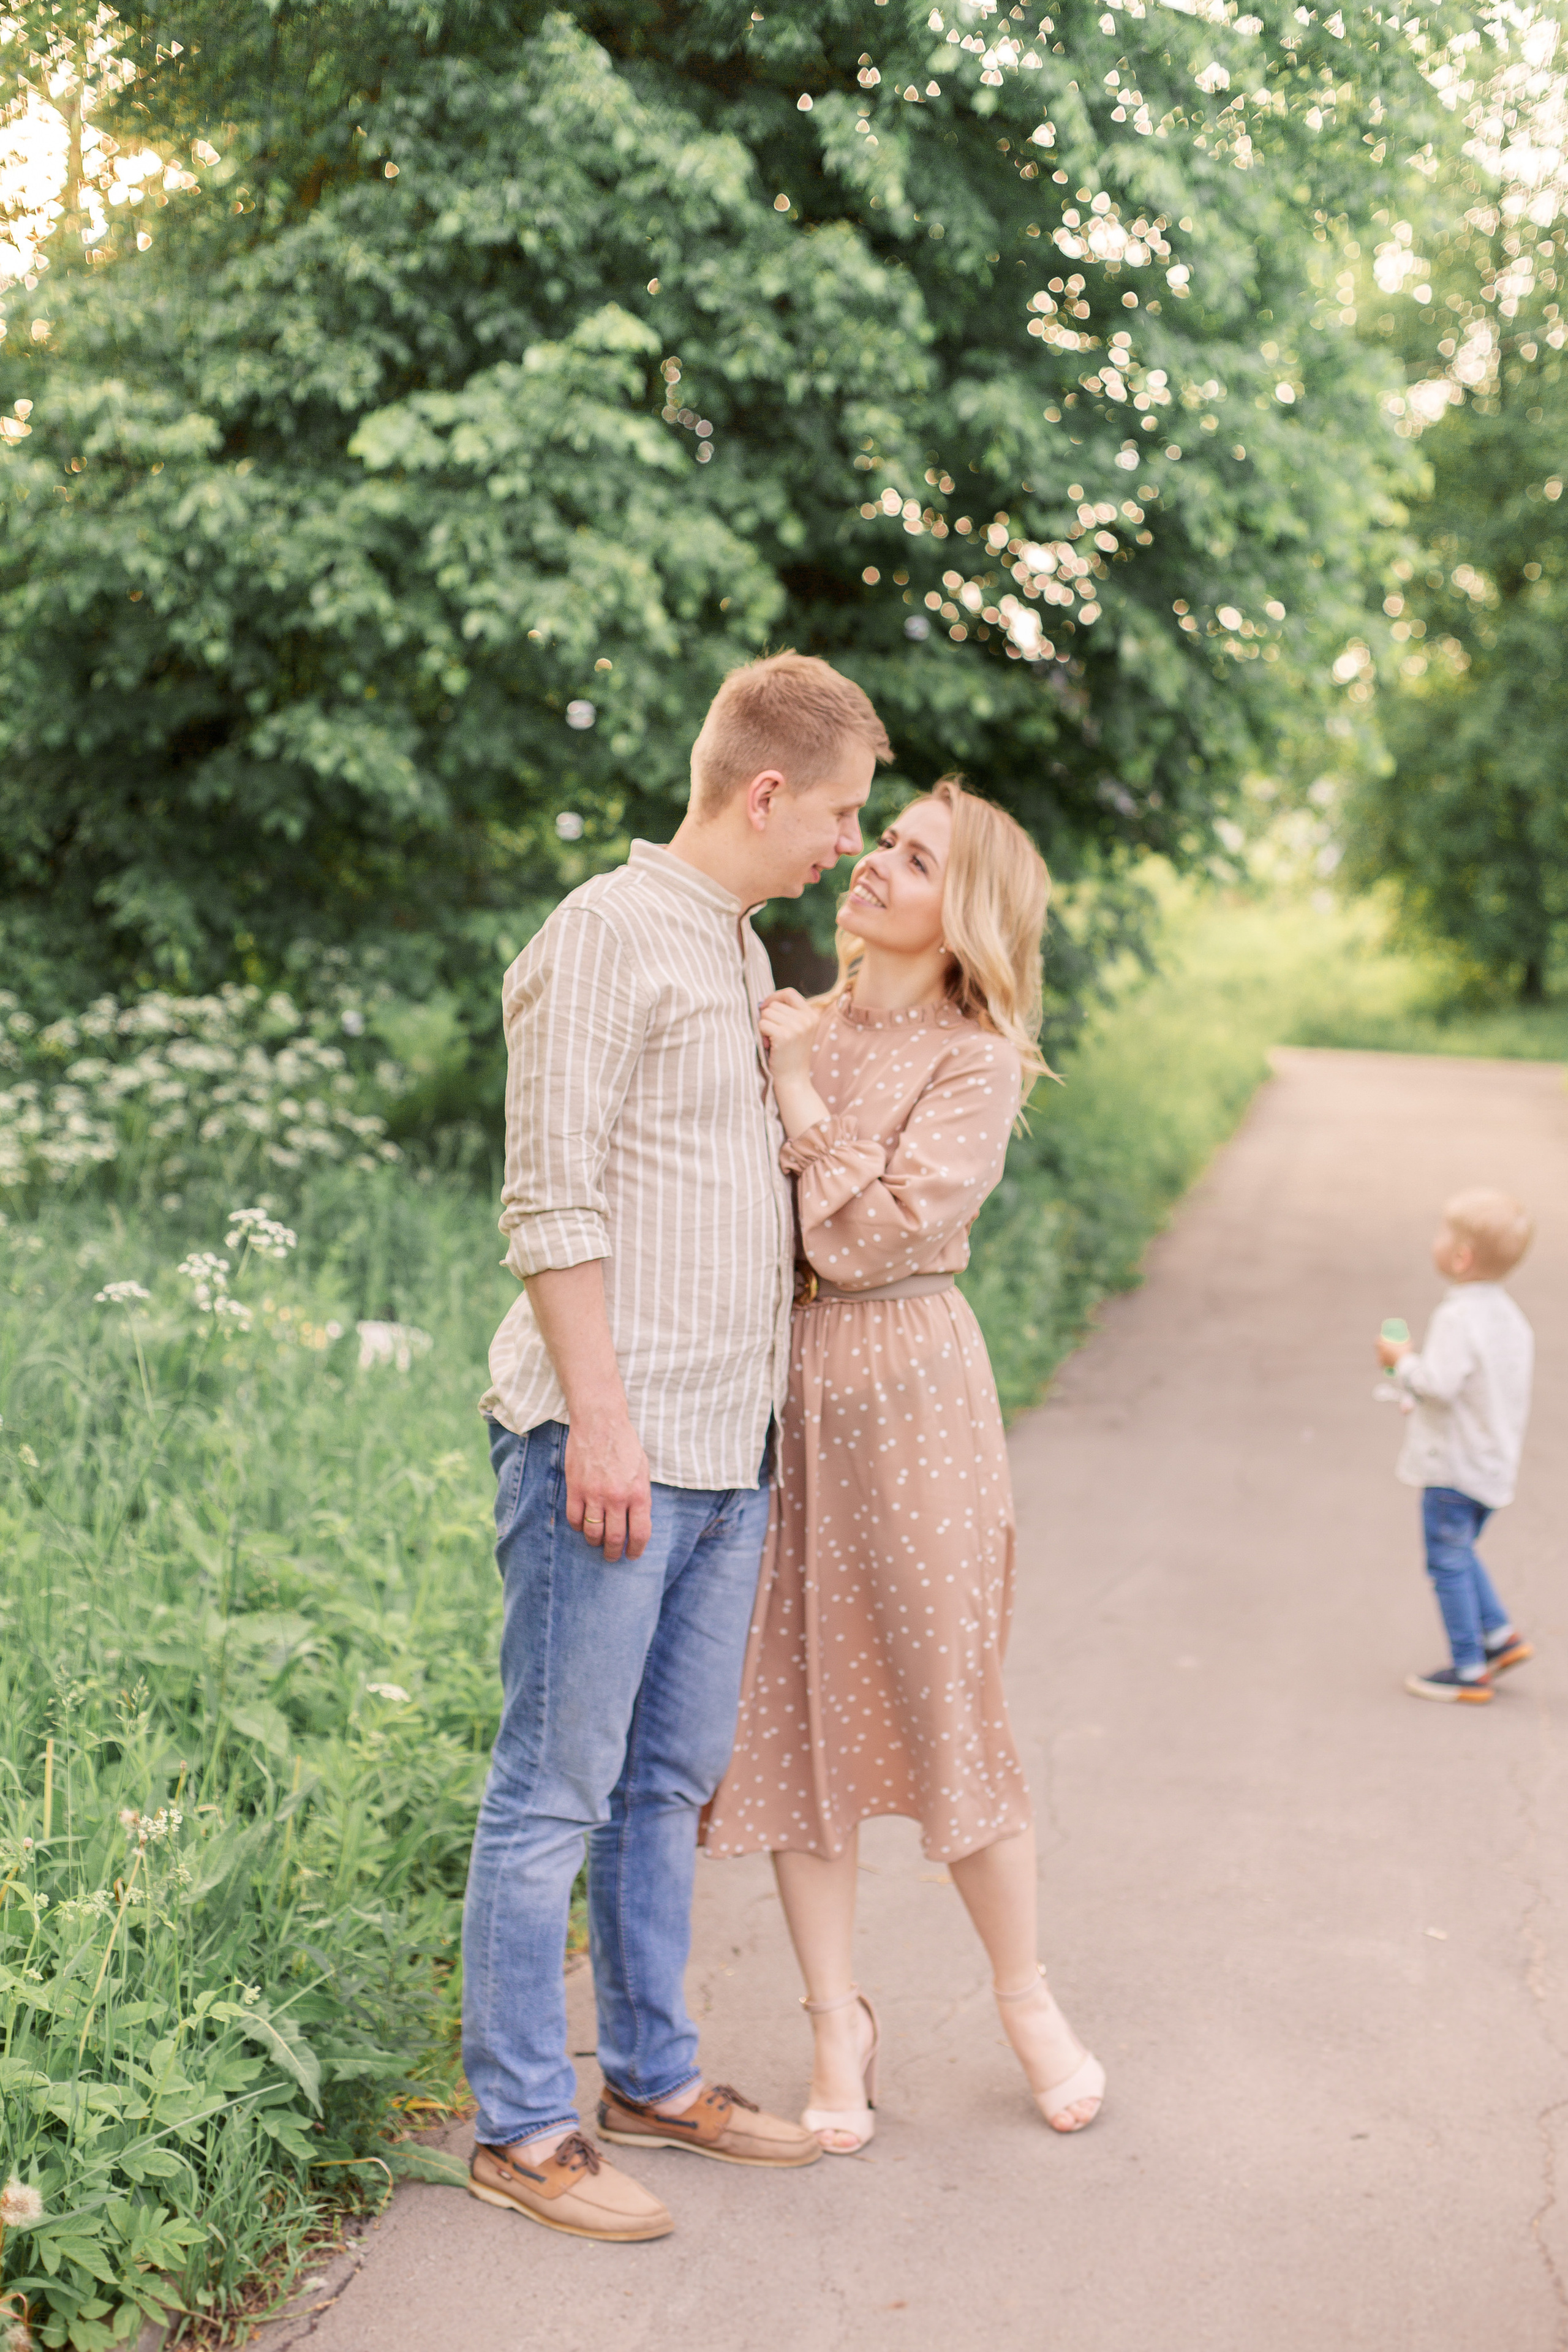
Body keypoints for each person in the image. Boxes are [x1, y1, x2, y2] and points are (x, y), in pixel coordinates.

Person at [462, 652, 891, 2242]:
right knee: (554, 1790)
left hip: (730, 1451)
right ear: (769, 790)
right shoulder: (603, 935)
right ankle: (518, 2126)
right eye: (840, 814)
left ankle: (652, 2077)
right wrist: (603, 1422)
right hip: (611, 1446)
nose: (847, 844)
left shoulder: (738, 946)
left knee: (665, 1788)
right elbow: (548, 1200)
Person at [704, 776, 1106, 2152]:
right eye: (880, 839)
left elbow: (868, 1243)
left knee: (945, 1695)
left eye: (913, 856)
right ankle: (834, 2020)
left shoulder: (972, 1058)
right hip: (780, 1395)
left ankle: (1025, 1995)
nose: (874, 862)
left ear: (962, 915)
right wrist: (790, 1061)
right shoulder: (782, 1011)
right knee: (795, 1709)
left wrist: (799, 1092)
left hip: (912, 1383)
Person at [1377, 1188, 1536, 1706]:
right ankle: (1499, 1637)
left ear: (1461, 1257)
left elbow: (1439, 1384)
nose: (1437, 1242)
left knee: (1446, 1561)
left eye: (1444, 1234)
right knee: (1462, 1552)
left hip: (1453, 1467)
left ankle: (1469, 1669)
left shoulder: (1457, 1317)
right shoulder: (1510, 1317)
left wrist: (1401, 1361)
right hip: (1491, 1465)